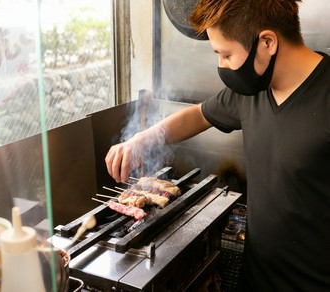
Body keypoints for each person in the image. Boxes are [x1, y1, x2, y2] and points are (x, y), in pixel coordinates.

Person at [105, 0, 330, 291]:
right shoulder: (252, 92)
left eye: (226, 54)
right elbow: (199, 115)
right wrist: (142, 139)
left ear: (267, 42)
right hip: (257, 279)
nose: (221, 66)